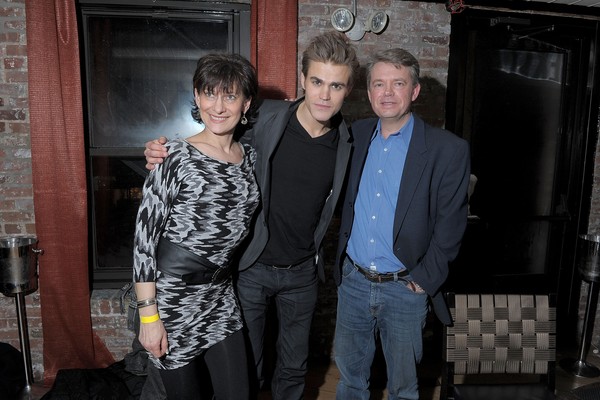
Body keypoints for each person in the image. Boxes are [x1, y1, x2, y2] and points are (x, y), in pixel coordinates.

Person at [144, 31, 360, 400]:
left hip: (302, 273)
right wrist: (159, 152)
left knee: (294, 367)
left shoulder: (346, 142)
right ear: (303, 80)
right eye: (317, 81)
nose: (324, 94)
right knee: (248, 367)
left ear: (348, 90)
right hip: (251, 267)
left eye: (336, 85)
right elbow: (214, 133)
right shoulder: (265, 117)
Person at [333, 48, 470, 400]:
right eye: (379, 84)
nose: (388, 92)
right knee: (349, 382)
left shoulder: (447, 149)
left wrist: (424, 280)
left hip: (405, 289)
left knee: (404, 389)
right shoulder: (355, 135)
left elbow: (451, 225)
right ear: (369, 92)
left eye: (398, 83)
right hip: (354, 282)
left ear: (415, 90)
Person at [133, 52, 260, 400]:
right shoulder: (174, 156)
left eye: (230, 96)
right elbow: (143, 244)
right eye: (209, 93)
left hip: (221, 298)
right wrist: (149, 319)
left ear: (246, 103)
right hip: (174, 301)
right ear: (196, 95)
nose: (218, 106)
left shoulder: (249, 157)